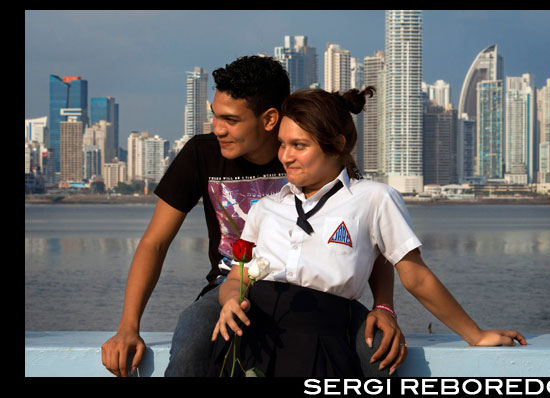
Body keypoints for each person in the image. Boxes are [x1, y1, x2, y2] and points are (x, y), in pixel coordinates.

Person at [101, 56, 406, 377]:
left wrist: (383, 306)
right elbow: (155, 242)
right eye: (214, 116)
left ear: (270, 118)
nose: (218, 129)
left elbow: (371, 235)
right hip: (231, 288)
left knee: (378, 353)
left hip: (319, 300)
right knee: (192, 343)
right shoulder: (200, 154)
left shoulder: (310, 151)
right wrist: (127, 327)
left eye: (230, 120)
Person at [209, 86, 527, 377]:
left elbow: (415, 276)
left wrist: (474, 334)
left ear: (337, 145)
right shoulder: (264, 209)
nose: (285, 156)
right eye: (282, 144)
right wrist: (229, 301)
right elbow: (238, 276)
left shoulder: (374, 199)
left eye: (299, 145)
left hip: (322, 342)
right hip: (252, 340)